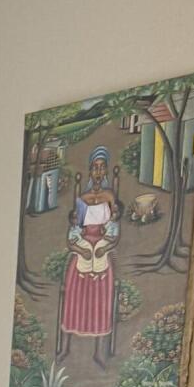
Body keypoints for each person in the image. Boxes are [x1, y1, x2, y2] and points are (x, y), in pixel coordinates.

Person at [57, 146, 120, 367]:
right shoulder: (83, 198)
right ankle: (65, 348)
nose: (98, 172)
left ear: (106, 171)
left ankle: (99, 353)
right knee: (73, 297)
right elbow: (74, 231)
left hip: (101, 251)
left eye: (102, 168)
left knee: (101, 302)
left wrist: (106, 246)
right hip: (82, 251)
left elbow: (114, 230)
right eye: (95, 168)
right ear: (90, 170)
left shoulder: (109, 197)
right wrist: (78, 248)